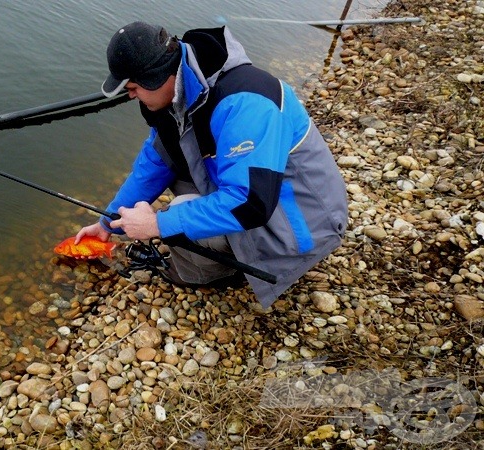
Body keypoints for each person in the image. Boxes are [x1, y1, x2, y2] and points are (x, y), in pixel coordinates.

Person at [75, 21, 348, 308]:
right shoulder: (178, 97)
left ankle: (211, 274)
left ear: (156, 77)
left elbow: (250, 202)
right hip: (268, 197)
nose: (130, 96)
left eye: (132, 88)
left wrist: (157, 223)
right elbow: (153, 164)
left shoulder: (245, 103)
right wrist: (107, 223)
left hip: (305, 224)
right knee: (175, 175)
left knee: (180, 209)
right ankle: (224, 254)